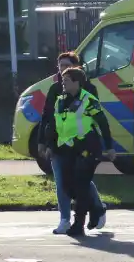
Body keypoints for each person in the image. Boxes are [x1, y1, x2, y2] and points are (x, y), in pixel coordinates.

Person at [38, 52, 108, 234]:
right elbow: (48, 117)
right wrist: (43, 142)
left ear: (76, 69)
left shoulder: (88, 92)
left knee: (80, 182)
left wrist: (108, 146)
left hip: (82, 146)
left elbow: (98, 119)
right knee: (65, 183)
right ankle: (71, 217)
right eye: (59, 66)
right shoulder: (57, 92)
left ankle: (78, 218)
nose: (61, 70)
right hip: (60, 145)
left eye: (66, 66)